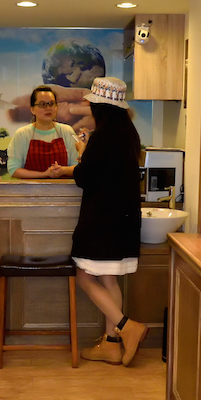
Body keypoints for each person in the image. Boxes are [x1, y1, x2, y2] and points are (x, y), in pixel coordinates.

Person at [71, 76, 148, 366]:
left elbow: (84, 178)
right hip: (123, 220)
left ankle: (127, 327)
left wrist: (82, 154)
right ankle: (112, 344)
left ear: (99, 108)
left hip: (101, 220)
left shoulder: (103, 136)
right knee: (108, 278)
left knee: (84, 276)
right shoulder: (128, 134)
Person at [6, 86, 82, 179]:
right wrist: (45, 174)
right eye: (42, 104)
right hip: (31, 188)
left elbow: (77, 166)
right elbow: (14, 170)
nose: (48, 108)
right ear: (32, 109)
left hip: (62, 188)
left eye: (51, 104)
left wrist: (63, 170)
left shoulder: (67, 131)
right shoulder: (22, 134)